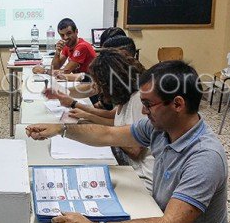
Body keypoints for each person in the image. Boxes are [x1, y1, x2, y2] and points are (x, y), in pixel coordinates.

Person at [27, 60, 228, 223]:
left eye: (148, 104)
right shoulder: (159, 128)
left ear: (177, 104)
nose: (143, 110)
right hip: (155, 210)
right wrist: (61, 129)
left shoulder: (205, 157)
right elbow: (108, 134)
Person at [46, 49, 154, 192]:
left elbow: (133, 149)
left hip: (140, 178)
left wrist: (98, 134)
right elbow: (113, 118)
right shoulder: (126, 97)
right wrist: (83, 114)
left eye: (100, 85)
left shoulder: (139, 101)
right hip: (126, 165)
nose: (98, 90)